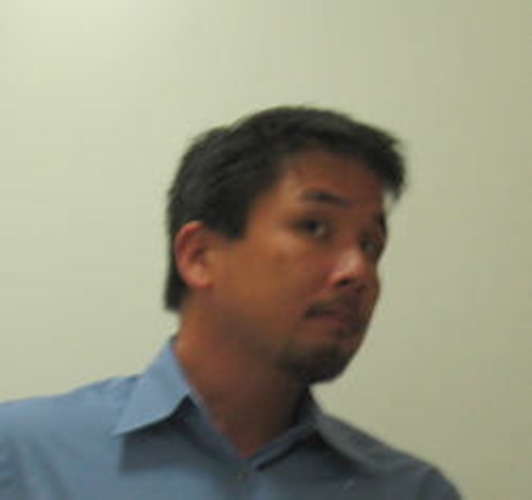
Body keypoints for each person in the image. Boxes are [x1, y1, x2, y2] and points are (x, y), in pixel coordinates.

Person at [0, 106, 461, 499]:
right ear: (200, 256)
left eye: (371, 245)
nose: (358, 271)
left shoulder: (409, 490)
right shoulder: (23, 458)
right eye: (315, 227)